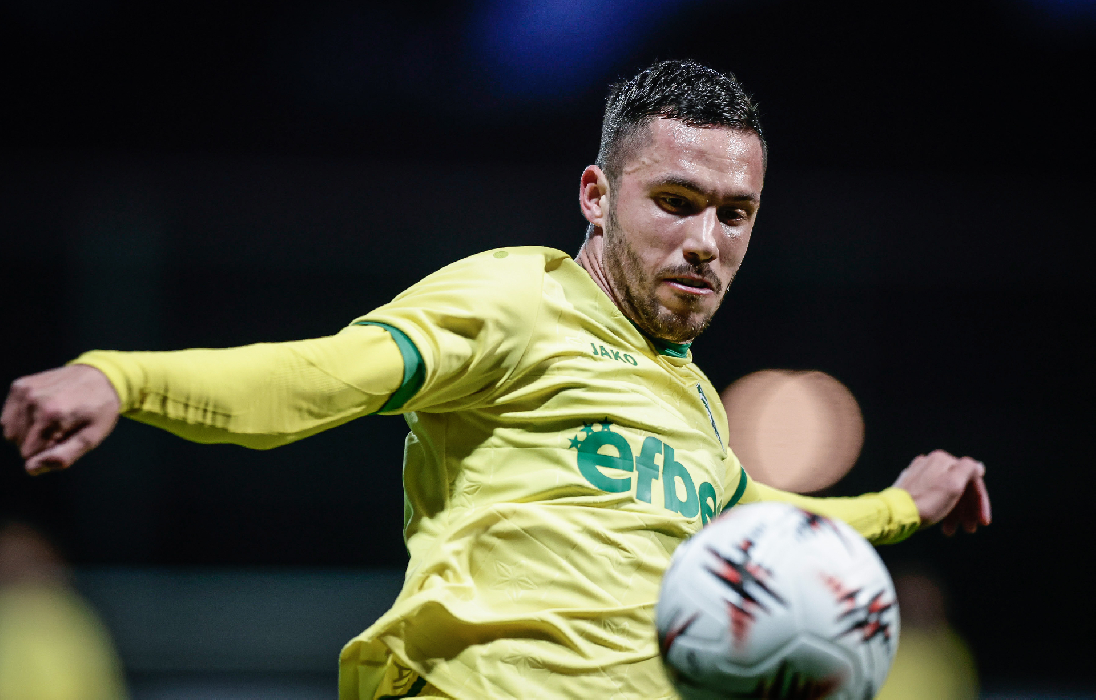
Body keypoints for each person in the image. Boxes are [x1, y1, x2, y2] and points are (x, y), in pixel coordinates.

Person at [1, 60, 990, 699]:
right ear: (596, 195)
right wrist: (121, 377)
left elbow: (754, 516)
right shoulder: (521, 296)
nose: (705, 240)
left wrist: (900, 507)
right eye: (676, 201)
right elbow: (322, 376)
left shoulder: (691, 399)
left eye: (734, 214)